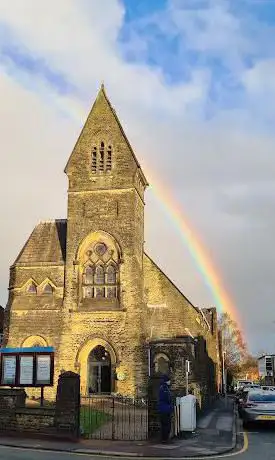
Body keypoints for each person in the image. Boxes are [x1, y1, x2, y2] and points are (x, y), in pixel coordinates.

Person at [158, 375, 173, 443]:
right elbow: (167, 398)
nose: (170, 382)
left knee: (165, 424)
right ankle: (164, 439)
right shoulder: (164, 388)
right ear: (166, 381)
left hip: (163, 408)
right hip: (165, 409)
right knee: (166, 425)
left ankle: (164, 438)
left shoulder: (164, 387)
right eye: (169, 380)